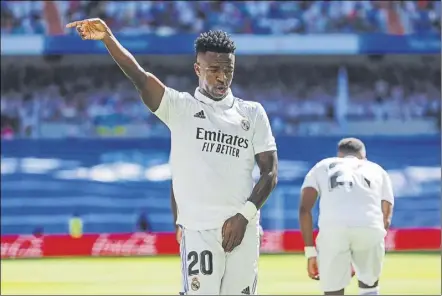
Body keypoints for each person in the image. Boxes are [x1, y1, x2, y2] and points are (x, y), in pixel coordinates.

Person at [67, 19, 278, 295]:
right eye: (214, 70)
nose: (222, 77)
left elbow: (270, 172)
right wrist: (108, 39)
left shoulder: (252, 113)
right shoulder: (180, 108)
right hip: (199, 232)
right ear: (197, 69)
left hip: (244, 232)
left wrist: (244, 217)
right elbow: (140, 77)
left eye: (228, 70)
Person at [298, 138, 394, 295]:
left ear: (339, 155)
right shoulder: (377, 169)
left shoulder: (322, 165)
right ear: (363, 156)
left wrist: (311, 253)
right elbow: (386, 217)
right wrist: (371, 241)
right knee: (369, 286)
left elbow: (304, 209)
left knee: (333, 290)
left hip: (333, 229)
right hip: (369, 225)